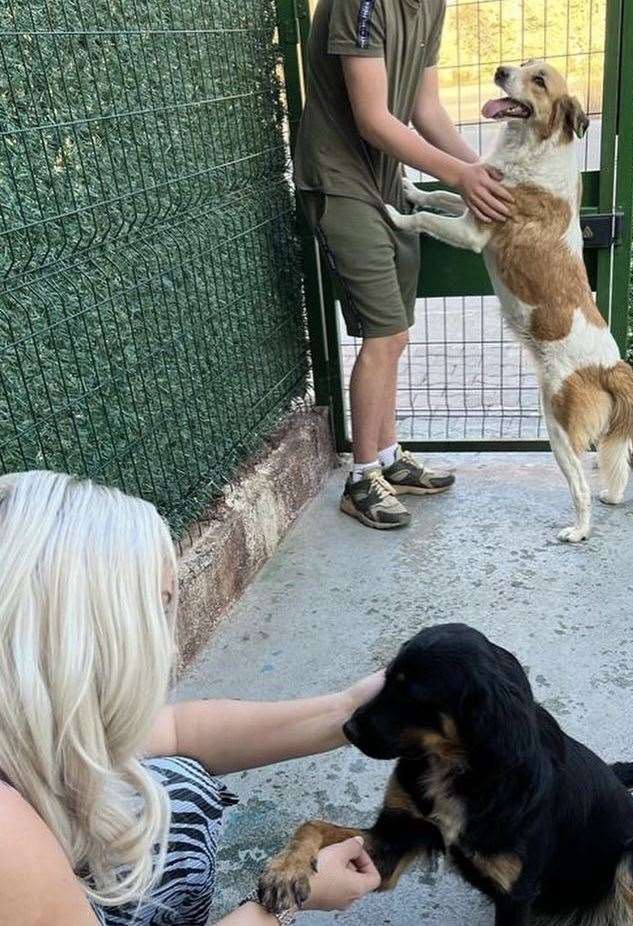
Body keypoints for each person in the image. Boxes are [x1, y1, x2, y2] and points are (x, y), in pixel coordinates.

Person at [0, 470, 384, 926]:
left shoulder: (33, 725)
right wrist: (278, 909)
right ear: (81, 633)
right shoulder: (8, 839)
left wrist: (349, 710)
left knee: (169, 778)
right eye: (156, 608)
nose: (168, 643)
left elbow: (182, 731)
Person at [294, 0, 513, 530]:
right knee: (385, 334)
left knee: (398, 332)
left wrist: (485, 173)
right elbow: (371, 118)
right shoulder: (360, 4)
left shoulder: (430, 5)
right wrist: (460, 178)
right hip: (339, 183)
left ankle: (389, 459)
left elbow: (427, 110)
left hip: (389, 184)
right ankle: (361, 477)